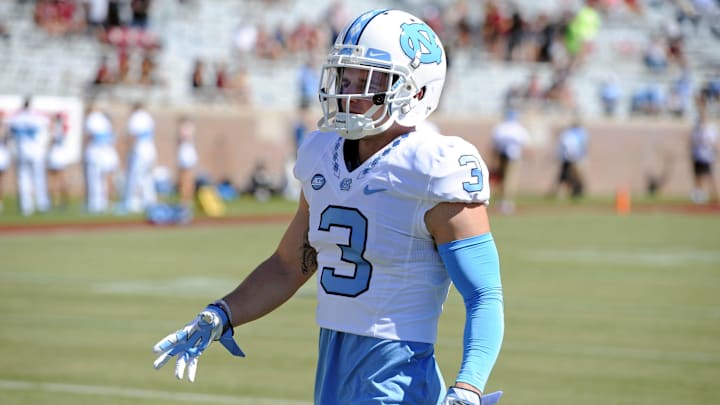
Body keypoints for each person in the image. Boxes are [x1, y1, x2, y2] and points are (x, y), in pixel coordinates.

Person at [152, 9, 504, 405]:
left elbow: (484, 294)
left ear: (417, 90)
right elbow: (290, 263)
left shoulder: (435, 166)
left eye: (367, 79)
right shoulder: (323, 153)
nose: (349, 91)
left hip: (399, 373)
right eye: (346, 76)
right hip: (333, 366)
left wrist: (470, 386)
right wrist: (223, 313)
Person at [7, 96, 50, 216]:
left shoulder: (16, 118)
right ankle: (42, 204)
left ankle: (26, 207)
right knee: (39, 178)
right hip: (36, 151)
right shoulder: (37, 117)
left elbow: (9, 129)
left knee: (23, 179)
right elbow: (48, 123)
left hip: (22, 151)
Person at [490, 109, 530, 214]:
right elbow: (524, 143)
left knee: (502, 178)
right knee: (510, 179)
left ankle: (501, 200)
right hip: (513, 156)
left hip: (501, 155)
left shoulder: (501, 127)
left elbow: (494, 143)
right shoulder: (518, 128)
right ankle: (507, 202)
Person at [122, 101, 157, 213]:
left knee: (135, 177)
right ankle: (149, 201)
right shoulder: (148, 117)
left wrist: (128, 150)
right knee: (147, 178)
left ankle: (133, 203)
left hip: (140, 151)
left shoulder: (136, 117)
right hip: (150, 150)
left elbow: (134, 136)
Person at [84, 104, 118, 213]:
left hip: (95, 153)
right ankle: (103, 202)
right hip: (106, 153)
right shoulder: (104, 119)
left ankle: (95, 204)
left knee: (94, 180)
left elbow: (89, 137)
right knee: (103, 180)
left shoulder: (91, 118)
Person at [547, 117, 590, 199]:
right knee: (569, 176)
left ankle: (572, 192)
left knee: (568, 176)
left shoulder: (579, 133)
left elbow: (583, 146)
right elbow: (569, 147)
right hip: (570, 158)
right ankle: (571, 192)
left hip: (574, 158)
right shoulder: (569, 134)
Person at [689, 103, 719, 204]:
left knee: (710, 176)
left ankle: (714, 197)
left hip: (707, 156)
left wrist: (715, 151)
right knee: (698, 176)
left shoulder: (711, 129)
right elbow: (692, 142)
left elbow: (714, 142)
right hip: (698, 155)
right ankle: (699, 196)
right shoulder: (696, 129)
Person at [46, 113, 71, 209]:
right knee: (61, 179)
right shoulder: (62, 129)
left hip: (55, 156)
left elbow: (51, 142)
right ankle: (63, 201)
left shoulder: (55, 129)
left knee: (54, 180)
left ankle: (56, 202)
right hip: (61, 156)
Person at [175, 115, 198, 206]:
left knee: (186, 178)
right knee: (186, 177)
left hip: (186, 154)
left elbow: (182, 138)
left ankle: (185, 199)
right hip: (187, 153)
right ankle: (187, 199)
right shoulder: (190, 127)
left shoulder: (186, 128)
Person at [0, 112, 10, 213]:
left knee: (1, 180)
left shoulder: (5, 128)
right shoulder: (5, 128)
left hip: (2, 157)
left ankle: (0, 202)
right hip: (2, 157)